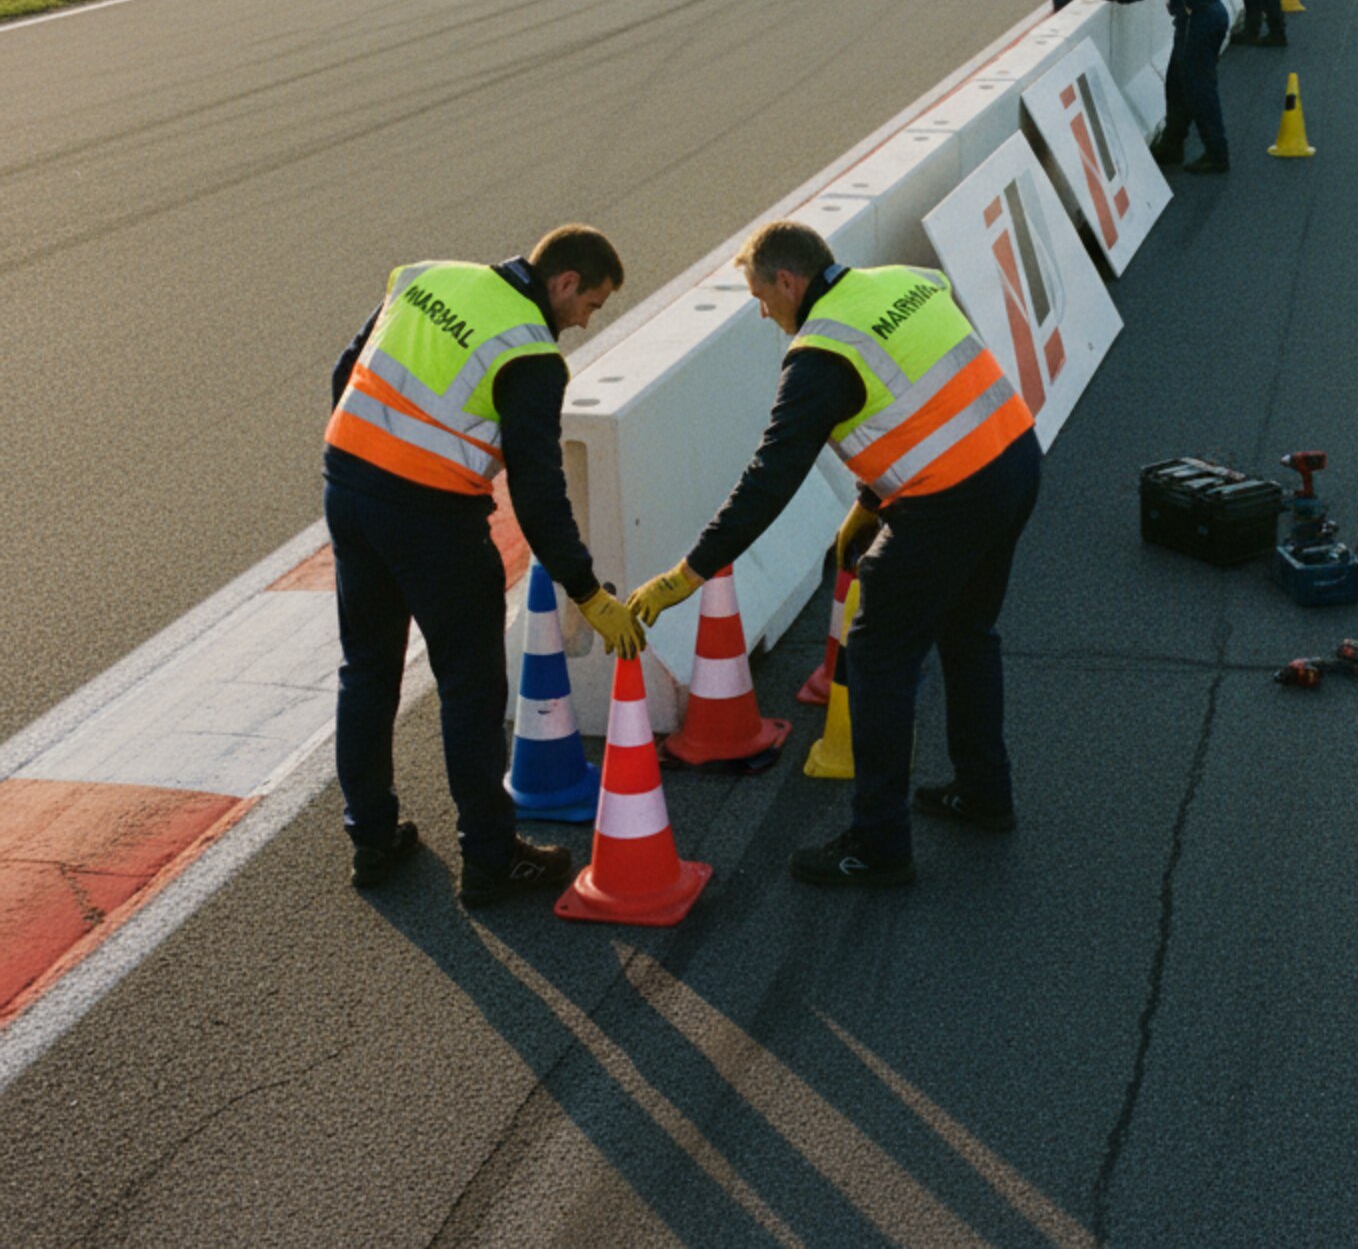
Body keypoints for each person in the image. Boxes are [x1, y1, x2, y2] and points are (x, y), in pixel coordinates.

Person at [627, 222, 1043, 889]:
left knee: (878, 656)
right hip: (1014, 460)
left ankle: (879, 846)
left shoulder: (820, 354)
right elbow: (920, 395)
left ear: (789, 283)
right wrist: (873, 501)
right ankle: (985, 791)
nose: (763, 313)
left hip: (948, 501)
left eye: (761, 296)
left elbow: (770, 478)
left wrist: (689, 573)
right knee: (969, 632)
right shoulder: (903, 281)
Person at [324, 224, 647, 905]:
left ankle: (372, 840)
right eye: (591, 305)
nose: (586, 322)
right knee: (471, 691)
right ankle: (491, 859)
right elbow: (537, 490)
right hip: (434, 522)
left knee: (367, 669)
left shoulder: (426, 275)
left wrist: (370, 467)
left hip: (349, 488)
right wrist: (586, 590)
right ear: (564, 283)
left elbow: (343, 372)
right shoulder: (530, 354)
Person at [1093, 0, 1231, 173]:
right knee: (1177, 85)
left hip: (1196, 22)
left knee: (1199, 90)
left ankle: (1216, 154)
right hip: (1215, 15)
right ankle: (1173, 146)